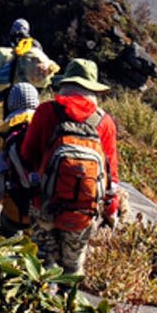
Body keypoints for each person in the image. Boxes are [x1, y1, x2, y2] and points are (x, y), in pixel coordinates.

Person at [18, 58, 120, 277]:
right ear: (93, 90)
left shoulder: (46, 111)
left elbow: (27, 155)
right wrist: (111, 211)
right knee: (72, 268)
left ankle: (37, 303)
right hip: (83, 211)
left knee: (40, 265)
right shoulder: (105, 123)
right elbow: (111, 176)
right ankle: (67, 304)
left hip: (44, 203)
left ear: (65, 84)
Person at [0, 81, 40, 236]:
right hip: (46, 212)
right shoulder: (47, 126)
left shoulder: (7, 132)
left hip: (16, 214)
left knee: (8, 228)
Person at [0, 18, 60, 111]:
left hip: (13, 86)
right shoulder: (35, 43)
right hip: (32, 88)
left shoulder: (14, 40)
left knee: (10, 113)